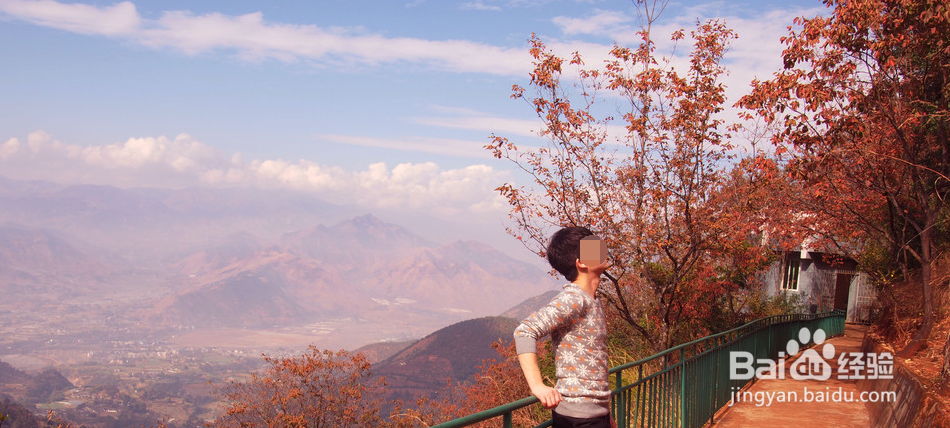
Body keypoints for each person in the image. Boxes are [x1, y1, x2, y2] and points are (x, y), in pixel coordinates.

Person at [514, 226, 614, 428]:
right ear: (582, 263)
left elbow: (594, 363)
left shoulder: (592, 300)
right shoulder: (574, 299)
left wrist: (606, 415)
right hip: (578, 418)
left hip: (594, 415)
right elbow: (525, 331)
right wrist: (538, 386)